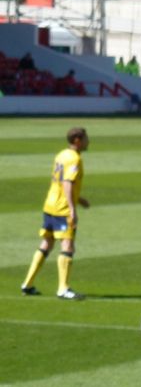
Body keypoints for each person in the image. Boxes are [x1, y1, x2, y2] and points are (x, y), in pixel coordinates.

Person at [21, 127, 90, 299]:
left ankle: (27, 284)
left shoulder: (61, 154)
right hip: (63, 209)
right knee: (67, 246)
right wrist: (73, 209)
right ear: (77, 140)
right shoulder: (74, 159)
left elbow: (60, 181)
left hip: (50, 205)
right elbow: (67, 182)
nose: (89, 141)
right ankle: (63, 289)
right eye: (86, 138)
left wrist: (79, 199)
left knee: (46, 244)